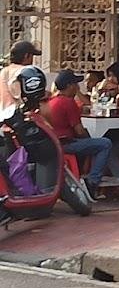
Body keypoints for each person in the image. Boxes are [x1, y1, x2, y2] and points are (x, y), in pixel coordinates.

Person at [46, 69, 112, 201]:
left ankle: (82, 177)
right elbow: (79, 131)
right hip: (66, 144)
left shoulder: (51, 101)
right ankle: (92, 182)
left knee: (92, 144)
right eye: (75, 84)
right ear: (69, 86)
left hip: (55, 144)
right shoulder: (68, 102)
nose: (77, 87)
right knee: (105, 143)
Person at [0, 41, 42, 110]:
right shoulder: (26, 72)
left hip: (3, 114)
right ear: (26, 56)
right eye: (31, 56)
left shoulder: (4, 71)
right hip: (20, 114)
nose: (32, 60)